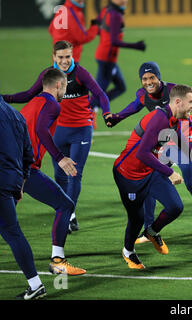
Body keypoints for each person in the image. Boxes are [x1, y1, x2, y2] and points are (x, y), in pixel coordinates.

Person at [106, 61, 192, 247]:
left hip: (186, 139)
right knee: (151, 175)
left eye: (152, 77)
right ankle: (150, 229)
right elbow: (134, 107)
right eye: (144, 78)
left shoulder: (174, 91)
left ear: (159, 77)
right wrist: (117, 118)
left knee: (191, 183)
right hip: (166, 140)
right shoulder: (143, 95)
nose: (149, 82)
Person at [2, 41, 111, 233]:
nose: (64, 61)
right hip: (59, 130)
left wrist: (106, 113)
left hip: (81, 129)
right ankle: (66, 210)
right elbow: (28, 94)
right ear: (53, 56)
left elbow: (101, 94)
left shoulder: (80, 73)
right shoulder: (50, 76)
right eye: (60, 57)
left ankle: (69, 215)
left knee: (75, 173)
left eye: (68, 56)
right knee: (59, 175)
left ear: (72, 56)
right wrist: (5, 98)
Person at [113, 84, 192, 269]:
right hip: (128, 174)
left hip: (149, 171)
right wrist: (170, 172)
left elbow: (180, 141)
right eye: (191, 102)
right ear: (178, 102)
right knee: (137, 218)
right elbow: (142, 153)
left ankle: (152, 232)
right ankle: (128, 251)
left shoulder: (173, 118)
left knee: (175, 206)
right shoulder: (160, 118)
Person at [19, 68, 87, 275]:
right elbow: (41, 129)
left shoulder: (33, 103)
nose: (65, 90)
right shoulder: (52, 104)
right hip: (24, 168)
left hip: (14, 166)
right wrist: (60, 158)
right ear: (58, 85)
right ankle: (58, 261)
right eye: (65, 86)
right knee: (65, 205)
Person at [0, 95, 46, 300]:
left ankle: (35, 284)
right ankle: (35, 285)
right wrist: (21, 184)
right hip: (13, 179)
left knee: (11, 231)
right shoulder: (16, 116)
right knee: (12, 231)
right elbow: (29, 154)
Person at [90, 0, 147, 123]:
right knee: (99, 91)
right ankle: (86, 117)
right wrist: (136, 46)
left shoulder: (107, 10)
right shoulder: (115, 15)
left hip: (105, 56)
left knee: (120, 87)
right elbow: (114, 41)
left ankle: (93, 109)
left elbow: (96, 24)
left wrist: (102, 34)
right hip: (107, 59)